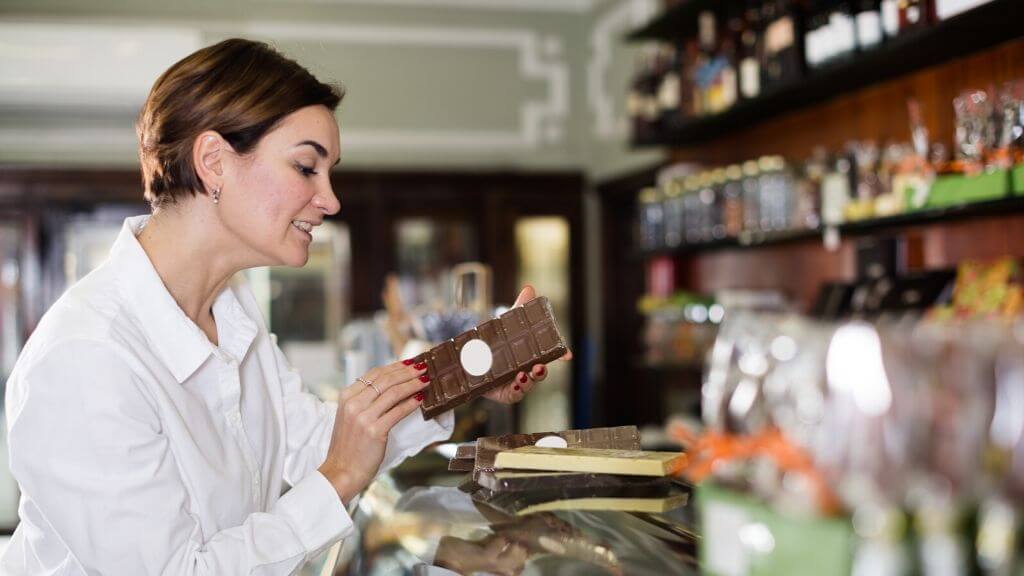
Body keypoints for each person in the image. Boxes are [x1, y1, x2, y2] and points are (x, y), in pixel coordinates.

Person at [1, 38, 569, 575]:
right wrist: (340, 477)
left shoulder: (230, 307)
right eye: (305, 167)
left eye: (329, 173)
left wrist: (469, 371)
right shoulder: (84, 359)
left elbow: (314, 439)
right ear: (215, 161)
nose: (329, 199)